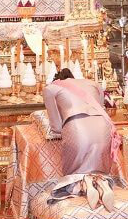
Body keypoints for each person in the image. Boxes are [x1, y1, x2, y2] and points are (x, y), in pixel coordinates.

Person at [42, 68, 118, 210]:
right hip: (103, 128)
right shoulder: (93, 83)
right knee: (97, 168)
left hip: (77, 128)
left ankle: (87, 184)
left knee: (76, 172)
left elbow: (57, 127)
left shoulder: (51, 88)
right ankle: (102, 185)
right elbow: (101, 108)